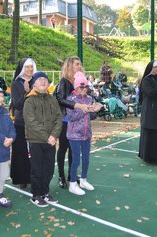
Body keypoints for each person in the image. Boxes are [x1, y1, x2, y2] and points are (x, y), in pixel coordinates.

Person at [23, 72, 62, 207]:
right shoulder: (29, 100)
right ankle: (36, 194)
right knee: (37, 169)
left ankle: (45, 192)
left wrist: (54, 135)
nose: (43, 81)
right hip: (36, 141)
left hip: (50, 140)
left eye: (45, 79)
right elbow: (31, 122)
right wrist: (47, 137)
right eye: (40, 79)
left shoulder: (52, 99)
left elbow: (58, 118)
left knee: (49, 168)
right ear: (33, 84)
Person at [55, 56, 89, 188]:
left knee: (73, 149)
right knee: (63, 148)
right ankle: (61, 176)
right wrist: (76, 105)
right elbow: (59, 99)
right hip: (65, 120)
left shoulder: (81, 82)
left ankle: (71, 175)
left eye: (80, 64)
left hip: (78, 121)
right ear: (70, 66)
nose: (79, 66)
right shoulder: (64, 81)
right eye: (76, 64)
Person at [66, 72, 103, 195]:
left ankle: (83, 179)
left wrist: (94, 110)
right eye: (82, 87)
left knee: (86, 159)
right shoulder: (70, 100)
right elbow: (71, 117)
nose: (84, 89)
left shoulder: (89, 98)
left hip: (87, 134)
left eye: (86, 87)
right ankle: (72, 183)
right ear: (76, 87)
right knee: (76, 160)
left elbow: (91, 116)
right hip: (74, 135)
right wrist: (85, 109)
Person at [10, 58, 37, 189]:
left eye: (31, 67)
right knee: (21, 151)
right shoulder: (16, 84)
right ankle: (22, 178)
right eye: (27, 67)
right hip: (21, 122)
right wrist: (27, 92)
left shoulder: (37, 82)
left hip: (35, 123)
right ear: (22, 69)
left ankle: (34, 176)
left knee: (34, 151)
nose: (30, 69)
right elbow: (17, 104)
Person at [138, 60, 157, 164]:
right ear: (151, 68)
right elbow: (151, 93)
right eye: (156, 67)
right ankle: (149, 158)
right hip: (150, 113)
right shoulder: (146, 80)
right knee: (151, 135)